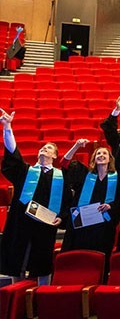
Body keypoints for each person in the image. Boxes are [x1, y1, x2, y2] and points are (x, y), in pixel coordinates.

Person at [0, 109, 70, 284]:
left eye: (48, 148)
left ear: (55, 155)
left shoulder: (61, 177)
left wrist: (61, 217)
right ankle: (17, 294)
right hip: (21, 221)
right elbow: (13, 155)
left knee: (42, 260)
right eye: (42, 147)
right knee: (18, 257)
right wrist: (7, 127)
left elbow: (67, 200)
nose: (43, 149)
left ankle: (42, 294)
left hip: (45, 224)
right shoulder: (26, 171)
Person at [60, 140, 120, 257]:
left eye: (104, 153)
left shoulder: (117, 178)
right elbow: (64, 163)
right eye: (98, 153)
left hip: (103, 225)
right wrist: (76, 146)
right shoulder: (84, 174)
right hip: (82, 224)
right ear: (94, 159)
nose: (101, 155)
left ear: (110, 159)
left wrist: (110, 206)